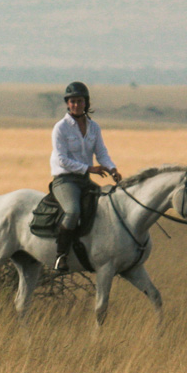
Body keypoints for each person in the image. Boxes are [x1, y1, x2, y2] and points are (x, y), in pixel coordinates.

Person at [49, 81, 122, 272]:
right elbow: (62, 159)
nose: (76, 104)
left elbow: (102, 153)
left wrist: (112, 169)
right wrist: (90, 169)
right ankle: (61, 256)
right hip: (65, 180)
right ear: (67, 103)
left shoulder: (94, 127)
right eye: (72, 101)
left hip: (83, 181)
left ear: (86, 103)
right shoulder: (61, 128)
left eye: (79, 101)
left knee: (107, 207)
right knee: (73, 211)